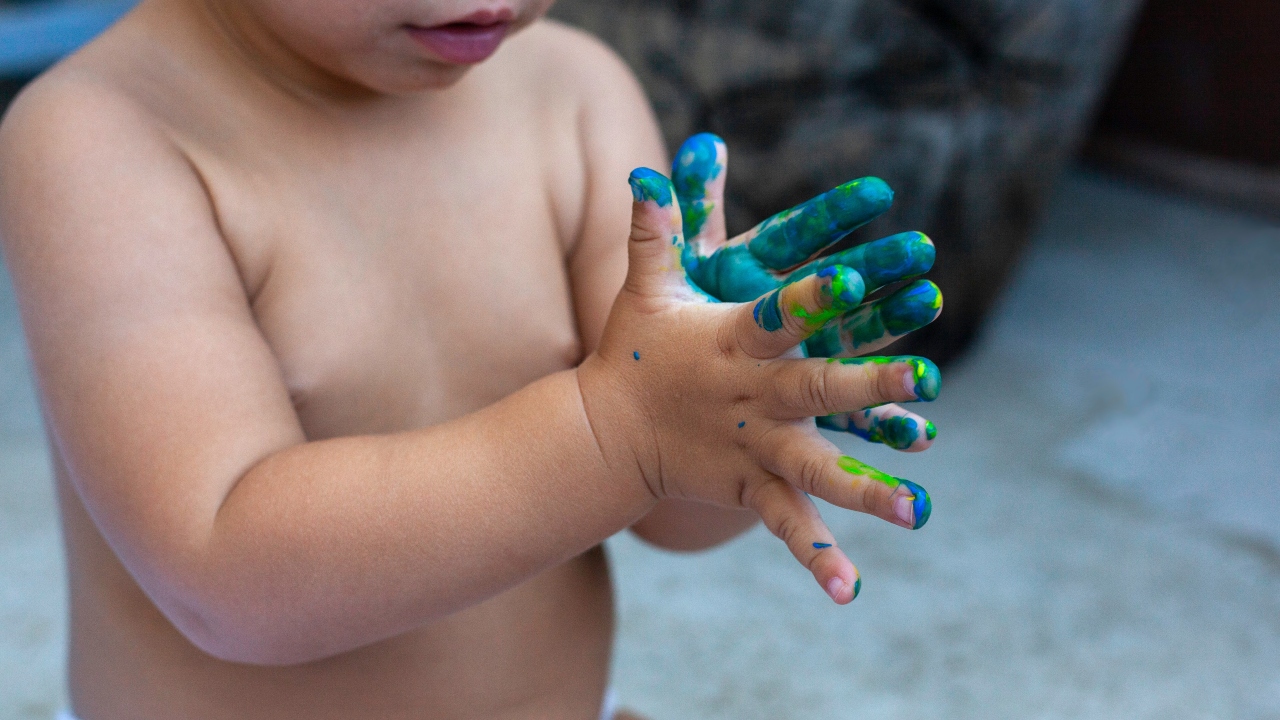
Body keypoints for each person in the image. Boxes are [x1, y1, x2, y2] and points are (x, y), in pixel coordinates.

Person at [0, 1, 943, 718]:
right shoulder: (100, 140)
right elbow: (224, 581)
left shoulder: (572, 95)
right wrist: (615, 430)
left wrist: (743, 404)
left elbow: (669, 512)